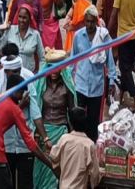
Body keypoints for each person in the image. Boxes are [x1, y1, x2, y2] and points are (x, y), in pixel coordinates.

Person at [0, 74, 52, 189]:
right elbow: (30, 143)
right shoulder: (14, 109)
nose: (22, 96)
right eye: (21, 92)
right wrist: (50, 164)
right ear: (15, 90)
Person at [72, 5, 117, 141]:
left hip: (96, 86)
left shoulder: (103, 37)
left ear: (96, 21)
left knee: (93, 121)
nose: (90, 25)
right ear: (84, 21)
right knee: (78, 120)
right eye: (87, 21)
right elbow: (73, 59)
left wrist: (112, 80)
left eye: (92, 22)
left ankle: (91, 145)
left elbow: (109, 60)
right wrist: (69, 79)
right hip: (80, 85)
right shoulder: (78, 36)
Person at [33, 51, 76, 189]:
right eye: (51, 68)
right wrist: (39, 134)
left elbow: (72, 112)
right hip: (43, 132)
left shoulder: (67, 87)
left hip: (60, 132)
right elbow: (37, 111)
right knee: (41, 170)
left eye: (57, 68)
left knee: (55, 172)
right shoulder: (41, 85)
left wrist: (73, 136)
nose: (54, 71)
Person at [48, 107, 101, 188]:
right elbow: (95, 174)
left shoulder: (64, 139)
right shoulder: (89, 145)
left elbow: (53, 157)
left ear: (70, 123)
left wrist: (60, 173)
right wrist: (93, 183)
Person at [5, 7, 44, 73]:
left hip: (29, 75)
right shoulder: (10, 30)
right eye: (20, 16)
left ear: (30, 18)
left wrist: (40, 74)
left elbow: (42, 58)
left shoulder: (35, 34)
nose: (21, 20)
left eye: (24, 17)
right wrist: (0, 32)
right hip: (11, 75)